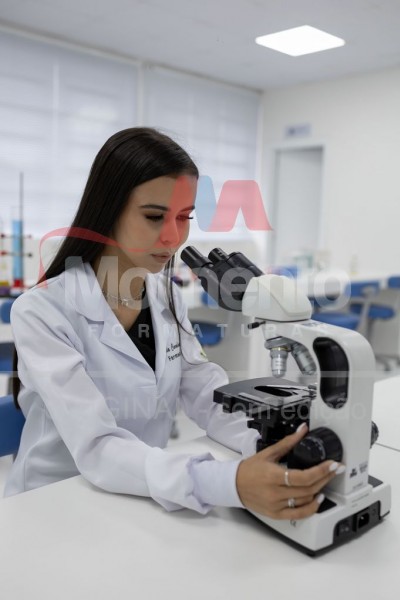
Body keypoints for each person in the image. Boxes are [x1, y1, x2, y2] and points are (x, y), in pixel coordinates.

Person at [5, 127, 343, 518]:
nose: (173, 236)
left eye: (184, 218)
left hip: (141, 495)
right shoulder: (42, 311)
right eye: (154, 216)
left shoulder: (166, 296)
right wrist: (228, 482)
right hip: (53, 505)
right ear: (107, 209)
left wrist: (268, 448)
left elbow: (205, 393)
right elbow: (97, 446)